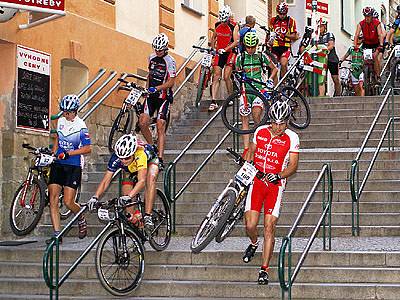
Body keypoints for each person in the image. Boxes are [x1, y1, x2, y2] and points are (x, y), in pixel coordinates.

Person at [242, 101, 299, 285]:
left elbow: (293, 165)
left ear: (287, 122)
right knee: (250, 226)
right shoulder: (260, 131)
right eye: (274, 122)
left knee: (269, 227)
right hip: (257, 181)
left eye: (281, 123)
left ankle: (264, 269)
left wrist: (279, 175)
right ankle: (253, 243)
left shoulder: (292, 138)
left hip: (275, 185)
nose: (277, 127)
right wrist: (247, 164)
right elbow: (251, 150)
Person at [87, 134, 159, 232]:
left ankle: (147, 216)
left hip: (150, 161)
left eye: (127, 158)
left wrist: (129, 196)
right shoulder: (117, 157)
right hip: (131, 168)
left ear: (133, 153)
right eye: (121, 158)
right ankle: (135, 223)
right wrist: (95, 197)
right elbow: (105, 181)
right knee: (128, 209)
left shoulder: (140, 154)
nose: (123, 161)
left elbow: (141, 181)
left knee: (151, 177)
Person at [47, 94, 91, 244]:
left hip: (74, 165)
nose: (65, 114)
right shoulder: (60, 121)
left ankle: (80, 216)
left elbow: (87, 148)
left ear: (75, 111)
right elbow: (58, 139)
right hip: (59, 163)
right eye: (63, 111)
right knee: (52, 198)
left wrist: (69, 153)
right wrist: (54, 153)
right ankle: (57, 234)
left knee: (68, 202)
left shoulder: (81, 126)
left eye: (68, 112)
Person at [235, 31, 278, 157]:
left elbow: (274, 68)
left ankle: (259, 143)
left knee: (256, 115)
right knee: (244, 119)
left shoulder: (261, 56)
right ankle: (246, 149)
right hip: (245, 91)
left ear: (256, 45)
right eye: (248, 47)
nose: (250, 49)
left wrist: (270, 80)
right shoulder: (240, 58)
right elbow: (236, 72)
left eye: (252, 47)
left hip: (259, 90)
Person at [139, 33, 176, 171]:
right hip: (151, 95)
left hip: (163, 96)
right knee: (142, 122)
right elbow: (150, 74)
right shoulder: (151, 57)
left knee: (160, 124)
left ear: (165, 48)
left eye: (160, 50)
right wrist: (147, 88)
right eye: (156, 49)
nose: (158, 52)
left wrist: (157, 88)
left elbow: (171, 82)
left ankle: (160, 158)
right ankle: (151, 146)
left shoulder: (170, 61)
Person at [209, 5, 239, 112]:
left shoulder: (234, 26)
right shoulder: (217, 25)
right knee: (216, 76)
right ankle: (213, 101)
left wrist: (226, 49)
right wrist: (212, 49)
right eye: (222, 21)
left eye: (225, 21)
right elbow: (213, 38)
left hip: (230, 52)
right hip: (219, 52)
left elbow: (236, 41)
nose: (224, 23)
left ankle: (230, 96)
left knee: (226, 76)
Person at [269, 2, 299, 79]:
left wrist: (284, 34)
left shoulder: (290, 21)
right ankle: (274, 86)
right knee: (273, 66)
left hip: (285, 46)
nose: (282, 16)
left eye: (284, 14)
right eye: (280, 14)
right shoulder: (273, 20)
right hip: (275, 46)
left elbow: (295, 36)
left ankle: (284, 83)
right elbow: (269, 33)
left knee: (283, 63)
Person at [354, 6, 385, 81]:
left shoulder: (377, 23)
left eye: (369, 16)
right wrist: (355, 46)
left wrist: (381, 45)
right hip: (366, 44)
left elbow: (380, 34)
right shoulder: (361, 24)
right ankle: (363, 75)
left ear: (371, 16)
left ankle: (378, 76)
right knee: (361, 58)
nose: (367, 18)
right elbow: (356, 35)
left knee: (375, 57)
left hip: (376, 43)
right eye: (365, 16)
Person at [316, 19, 341, 96]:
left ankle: (338, 94)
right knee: (322, 78)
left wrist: (323, 49)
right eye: (318, 26)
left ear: (325, 26)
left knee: (335, 78)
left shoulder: (329, 34)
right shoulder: (316, 37)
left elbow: (331, 45)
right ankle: (322, 95)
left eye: (321, 26)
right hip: (322, 60)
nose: (319, 28)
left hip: (332, 59)